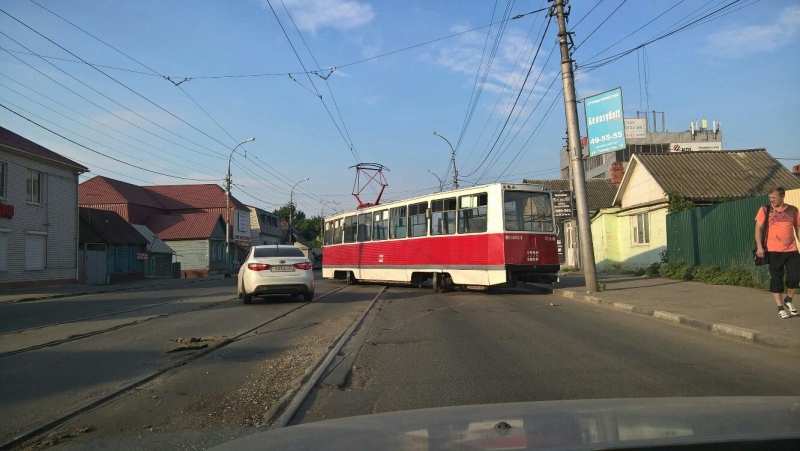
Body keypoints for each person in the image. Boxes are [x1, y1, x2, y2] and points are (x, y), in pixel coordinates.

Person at [755, 187, 800, 319]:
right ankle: (780, 308)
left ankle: (788, 299)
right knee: (776, 279)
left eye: (774, 197)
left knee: (795, 277)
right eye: (770, 198)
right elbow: (758, 228)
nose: (772, 200)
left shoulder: (793, 210)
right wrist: (759, 247)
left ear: (782, 196)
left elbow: (798, 229)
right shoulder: (765, 210)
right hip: (773, 250)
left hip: (792, 250)